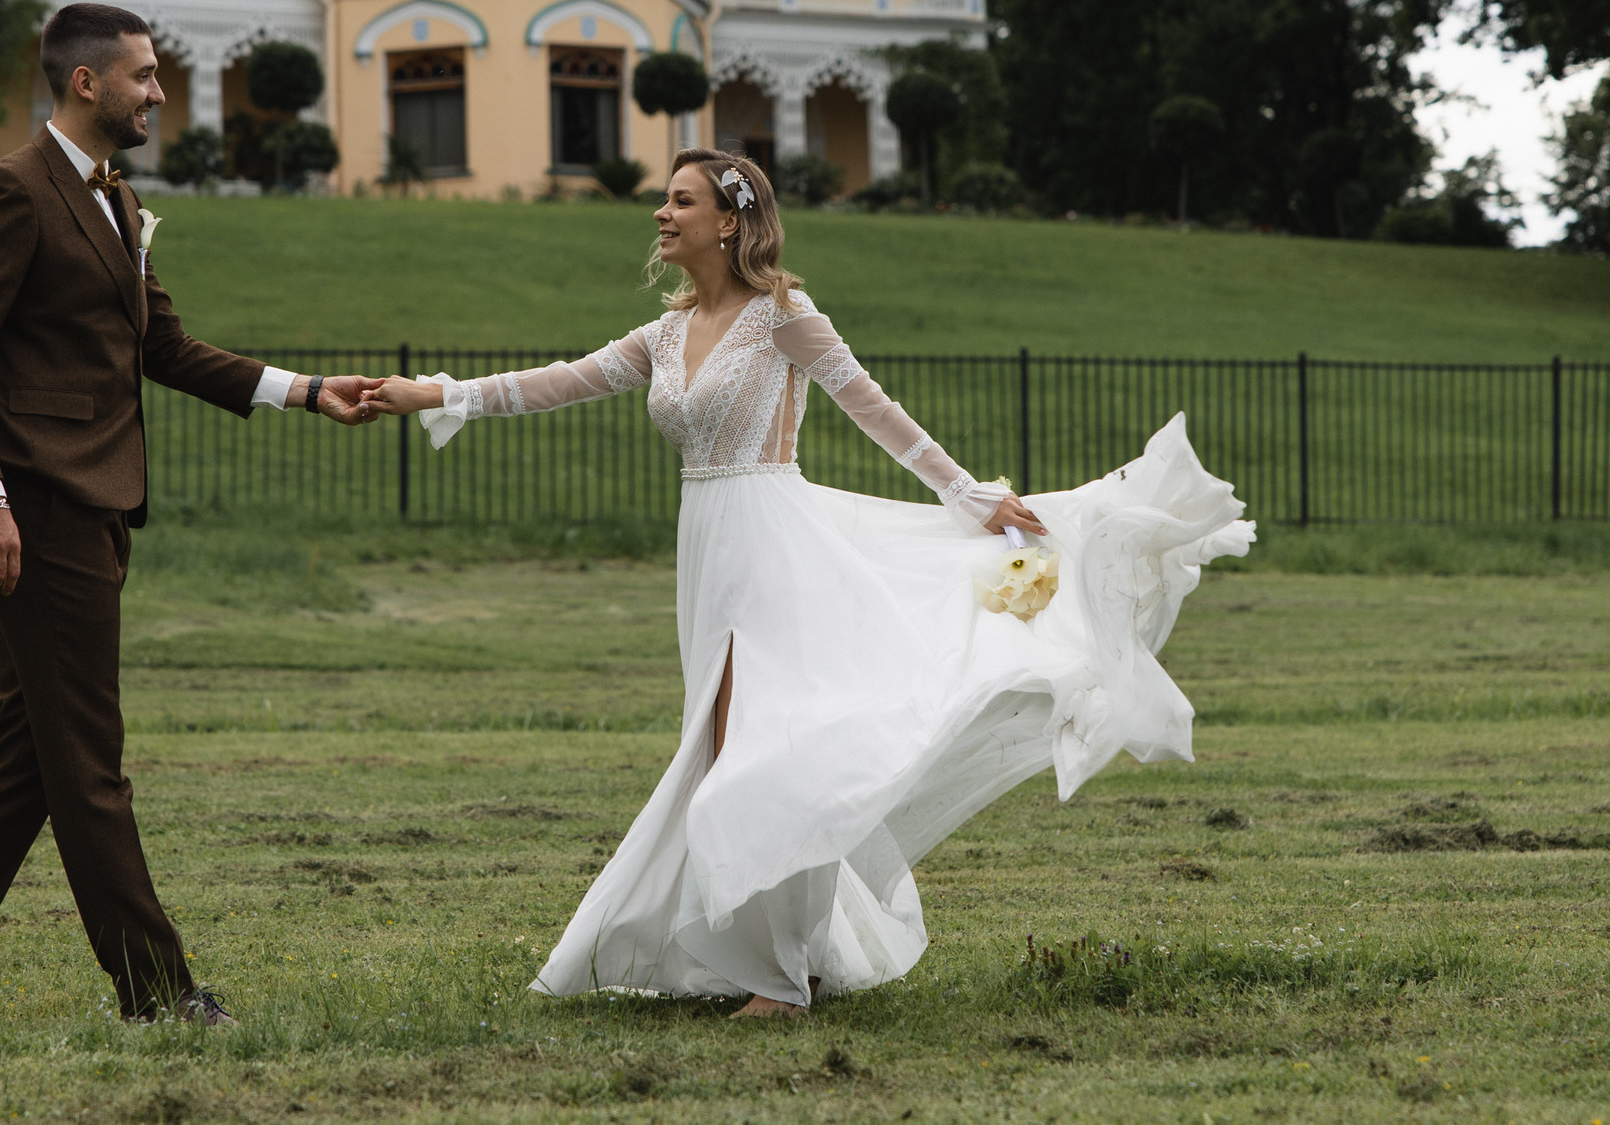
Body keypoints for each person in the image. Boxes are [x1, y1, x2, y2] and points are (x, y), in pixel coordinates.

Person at [363, 148, 1253, 1018]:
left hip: (776, 539)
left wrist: (967, 492)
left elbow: (870, 403)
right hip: (706, 548)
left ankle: (780, 977)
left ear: (730, 219)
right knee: (724, 746)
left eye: (680, 201)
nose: (662, 214)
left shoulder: (783, 312)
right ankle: (782, 959)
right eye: (663, 201)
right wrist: (435, 395)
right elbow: (556, 382)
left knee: (764, 747)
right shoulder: (665, 331)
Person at [0, 3, 382, 1026]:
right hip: (42, 508)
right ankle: (157, 992)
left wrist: (304, 388)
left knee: (28, 759)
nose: (159, 92)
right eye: (144, 76)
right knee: (88, 764)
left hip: (96, 505)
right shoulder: (12, 192)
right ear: (85, 84)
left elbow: (167, 348)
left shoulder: (115, 197)